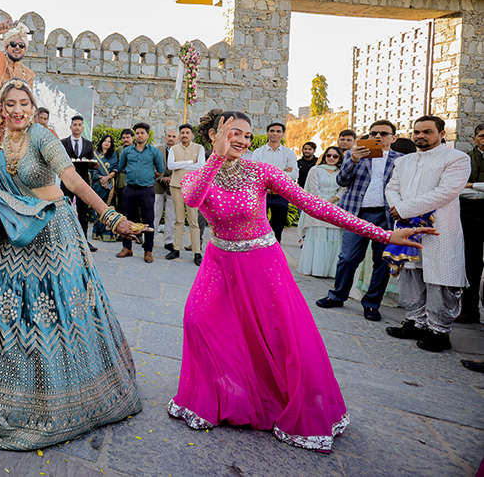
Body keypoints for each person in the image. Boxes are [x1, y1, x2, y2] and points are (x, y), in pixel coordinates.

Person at [167, 111, 431, 452]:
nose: (243, 141)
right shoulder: (198, 175)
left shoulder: (260, 171)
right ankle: (221, 393)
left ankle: (280, 401)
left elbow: (316, 206)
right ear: (216, 133)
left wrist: (383, 233)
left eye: (248, 136)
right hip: (220, 261)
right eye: (235, 133)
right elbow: (192, 199)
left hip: (262, 262)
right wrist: (216, 157)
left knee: (278, 335)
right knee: (197, 320)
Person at [0, 78, 144, 449]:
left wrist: (110, 217)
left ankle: (60, 392)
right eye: (11, 104)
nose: (18, 110)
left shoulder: (42, 137)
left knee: (54, 313)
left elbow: (71, 179)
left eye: (24, 102)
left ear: (32, 105)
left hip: (51, 234)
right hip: (11, 235)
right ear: (1, 108)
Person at [385, 116, 470, 352]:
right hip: (406, 229)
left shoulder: (457, 159)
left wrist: (404, 209)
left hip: (439, 230)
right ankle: (415, 322)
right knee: (410, 276)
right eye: (417, 132)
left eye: (427, 132)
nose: (420, 136)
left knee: (439, 280)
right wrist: (398, 209)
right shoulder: (405, 161)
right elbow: (392, 187)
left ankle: (439, 332)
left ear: (441, 134)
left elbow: (446, 193)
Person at [316, 120, 402, 321]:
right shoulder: (356, 155)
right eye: (374, 133)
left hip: (386, 215)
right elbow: (342, 181)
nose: (378, 137)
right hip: (356, 213)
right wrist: (352, 160)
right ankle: (337, 295)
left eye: (384, 133)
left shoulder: (401, 159)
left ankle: (372, 304)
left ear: (394, 137)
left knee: (382, 262)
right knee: (347, 257)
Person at [105, 122, 165, 262]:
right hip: (129, 190)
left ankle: (148, 250)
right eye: (137, 133)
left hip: (147, 190)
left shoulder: (154, 152)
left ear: (147, 135)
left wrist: (147, 176)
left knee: (148, 221)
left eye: (142, 133)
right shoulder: (127, 151)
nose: (139, 135)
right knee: (126, 219)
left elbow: (160, 172)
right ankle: (127, 248)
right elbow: (122, 167)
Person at [297, 146, 344, 278]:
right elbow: (313, 189)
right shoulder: (316, 170)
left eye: (335, 156)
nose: (331, 158)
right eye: (329, 155)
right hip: (317, 208)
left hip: (336, 207)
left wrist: (333, 200)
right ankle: (315, 269)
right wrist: (323, 203)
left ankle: (330, 271)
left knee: (333, 237)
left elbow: (343, 189)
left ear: (339, 158)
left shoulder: (342, 171)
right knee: (318, 236)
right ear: (324, 156)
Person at [248, 122, 297, 242]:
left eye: (278, 131)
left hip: (281, 195)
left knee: (278, 229)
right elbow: (256, 174)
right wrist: (282, 172)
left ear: (283, 134)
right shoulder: (258, 153)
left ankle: (275, 257)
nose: (275, 134)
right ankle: (258, 254)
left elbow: (294, 175)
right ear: (268, 133)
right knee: (258, 228)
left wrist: (268, 173)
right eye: (272, 131)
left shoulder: (289, 153)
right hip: (262, 195)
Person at [166, 123, 205, 264]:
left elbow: (200, 166)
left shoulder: (199, 148)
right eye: (182, 132)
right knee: (179, 219)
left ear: (192, 135)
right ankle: (176, 249)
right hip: (176, 186)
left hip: (193, 188)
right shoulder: (174, 149)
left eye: (187, 132)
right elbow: (171, 166)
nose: (184, 135)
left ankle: (197, 252)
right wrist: (189, 162)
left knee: (193, 220)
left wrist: (180, 164)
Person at [457, 122, 484, 324]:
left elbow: (467, 187)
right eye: (482, 135)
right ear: (474, 138)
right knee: (470, 265)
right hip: (468, 217)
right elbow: (457, 188)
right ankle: (469, 310)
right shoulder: (464, 159)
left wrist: (473, 185)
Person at [61, 114, 97, 252]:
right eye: (74, 124)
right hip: (67, 181)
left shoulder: (88, 144)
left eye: (79, 125)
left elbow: (91, 161)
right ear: (71, 127)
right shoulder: (63, 143)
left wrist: (94, 166)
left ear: (82, 127)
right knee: (65, 211)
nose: (77, 127)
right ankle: (64, 240)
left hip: (83, 182)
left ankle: (84, 241)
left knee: (83, 212)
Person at [90, 134, 119, 241]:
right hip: (97, 185)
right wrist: (100, 178)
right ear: (101, 142)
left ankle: (107, 233)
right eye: (105, 141)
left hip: (109, 186)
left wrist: (107, 178)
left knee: (108, 209)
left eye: (109, 141)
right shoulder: (94, 154)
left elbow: (116, 169)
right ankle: (97, 232)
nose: (107, 143)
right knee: (97, 208)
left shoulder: (113, 155)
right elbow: (92, 169)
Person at [154, 129, 177, 253]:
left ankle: (168, 241)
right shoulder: (157, 150)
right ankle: (150, 239)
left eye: (174, 136)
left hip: (173, 187)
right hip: (158, 185)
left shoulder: (180, 152)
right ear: (165, 137)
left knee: (170, 216)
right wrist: (161, 178)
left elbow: (181, 169)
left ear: (177, 139)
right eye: (169, 136)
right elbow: (152, 165)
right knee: (155, 214)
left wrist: (171, 179)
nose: (171, 138)